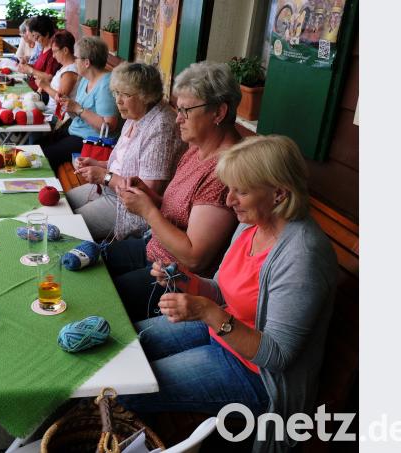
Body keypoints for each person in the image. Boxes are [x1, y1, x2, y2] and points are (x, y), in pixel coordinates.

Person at [118, 135, 338, 453]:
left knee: (130, 386)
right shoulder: (252, 224)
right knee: (126, 346)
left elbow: (277, 356)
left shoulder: (302, 256)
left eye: (241, 191)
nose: (230, 199)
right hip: (221, 335)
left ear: (278, 193)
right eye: (229, 188)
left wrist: (207, 311)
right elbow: (221, 290)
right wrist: (184, 280)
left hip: (257, 376)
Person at [104, 61, 242, 321]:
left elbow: (194, 258)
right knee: (90, 261)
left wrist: (148, 211)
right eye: (178, 109)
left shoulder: (225, 170)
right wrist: (149, 196)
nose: (178, 118)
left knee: (102, 296)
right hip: (153, 249)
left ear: (219, 112)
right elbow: (178, 212)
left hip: (176, 280)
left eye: (185, 110)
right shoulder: (196, 150)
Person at [66, 62, 185, 241]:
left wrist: (105, 177)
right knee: (61, 202)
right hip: (108, 190)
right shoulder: (134, 116)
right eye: (116, 93)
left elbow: (145, 192)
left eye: (126, 94)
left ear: (146, 96)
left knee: (68, 225)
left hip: (127, 207)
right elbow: (123, 164)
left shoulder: (161, 127)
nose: (118, 100)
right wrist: (98, 164)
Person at [40, 36, 120, 170]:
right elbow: (78, 112)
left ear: (86, 62)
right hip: (74, 131)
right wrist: (68, 104)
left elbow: (109, 126)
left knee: (44, 157)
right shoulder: (85, 79)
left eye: (76, 57)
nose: (74, 60)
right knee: (38, 145)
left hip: (90, 142)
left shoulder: (106, 85)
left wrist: (78, 109)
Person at [35, 30, 78, 119]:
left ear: (65, 50)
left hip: (57, 116)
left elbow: (61, 100)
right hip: (50, 110)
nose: (53, 56)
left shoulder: (69, 72)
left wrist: (44, 86)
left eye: (55, 51)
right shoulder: (66, 66)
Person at [18, 15, 62, 93]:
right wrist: (27, 66)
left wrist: (30, 70)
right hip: (32, 87)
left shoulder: (53, 51)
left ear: (47, 34)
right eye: (33, 36)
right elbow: (39, 68)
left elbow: (49, 77)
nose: (35, 40)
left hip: (41, 93)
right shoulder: (44, 46)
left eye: (37, 36)